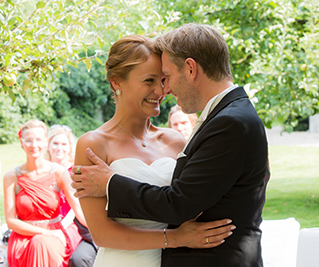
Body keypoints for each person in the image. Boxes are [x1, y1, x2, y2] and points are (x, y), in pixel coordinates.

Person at [72, 23, 270, 266]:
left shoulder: (176, 139)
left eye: (164, 78)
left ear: (190, 68)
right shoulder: (92, 144)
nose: (162, 90)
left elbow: (185, 201)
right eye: (150, 80)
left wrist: (110, 183)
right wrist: (173, 238)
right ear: (117, 82)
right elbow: (101, 234)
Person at [3, 119, 87, 267]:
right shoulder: (11, 177)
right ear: (21, 142)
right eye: (28, 140)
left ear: (45, 142)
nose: (34, 145)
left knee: (40, 243)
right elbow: (11, 221)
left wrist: (103, 232)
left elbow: (78, 209)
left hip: (54, 234)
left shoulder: (59, 173)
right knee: (39, 241)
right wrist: (45, 233)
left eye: (38, 140)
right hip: (23, 237)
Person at [47, 125, 97, 267]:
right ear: (48, 145)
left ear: (70, 147)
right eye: (55, 143)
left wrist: (60, 227)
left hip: (74, 222)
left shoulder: (75, 172)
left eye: (64, 144)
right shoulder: (43, 170)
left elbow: (75, 207)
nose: (59, 148)